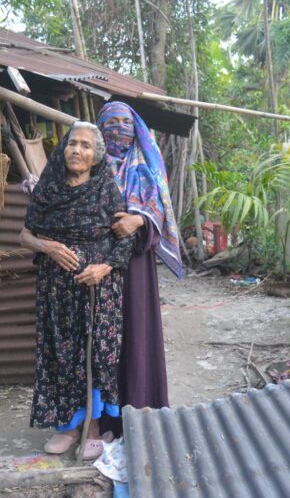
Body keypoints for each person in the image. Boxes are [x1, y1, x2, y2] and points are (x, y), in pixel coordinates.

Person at [20, 121, 134, 459]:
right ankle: (68, 427)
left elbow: (126, 237)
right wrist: (48, 247)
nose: (77, 150)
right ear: (64, 148)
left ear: (96, 156)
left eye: (85, 145)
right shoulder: (48, 188)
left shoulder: (106, 188)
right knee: (61, 354)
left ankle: (95, 428)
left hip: (99, 289)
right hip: (56, 289)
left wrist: (104, 267)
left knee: (96, 355)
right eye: (73, 143)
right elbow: (23, 235)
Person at [97, 101, 182, 420]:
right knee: (104, 338)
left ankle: (144, 409)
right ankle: (107, 417)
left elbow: (160, 205)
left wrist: (139, 220)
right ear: (100, 129)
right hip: (99, 262)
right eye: (111, 122)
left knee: (138, 331)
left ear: (135, 128)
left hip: (136, 266)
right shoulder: (93, 165)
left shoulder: (147, 163)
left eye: (124, 121)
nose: (118, 128)